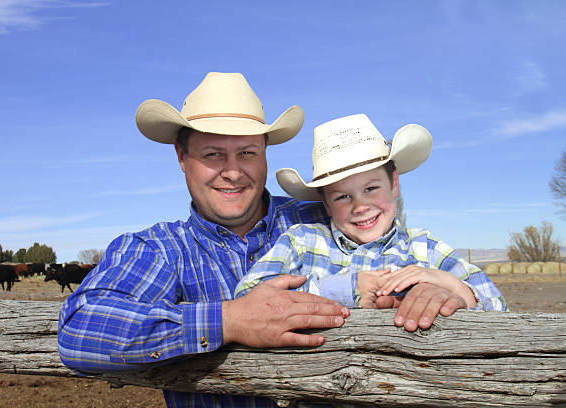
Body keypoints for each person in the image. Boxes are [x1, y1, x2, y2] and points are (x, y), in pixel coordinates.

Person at [58, 74, 476, 407]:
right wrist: (232, 320)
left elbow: (397, 252)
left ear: (265, 154)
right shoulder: (160, 250)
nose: (233, 171)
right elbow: (81, 329)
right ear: (181, 157)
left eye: (247, 153)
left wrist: (433, 288)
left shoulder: (324, 217)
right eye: (212, 155)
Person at [235, 114, 507, 318]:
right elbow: (248, 297)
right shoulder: (303, 242)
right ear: (326, 204)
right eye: (343, 196)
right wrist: (342, 290)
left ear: (394, 184)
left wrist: (446, 284)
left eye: (371, 188)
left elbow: (498, 306)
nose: (360, 206)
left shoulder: (423, 249)